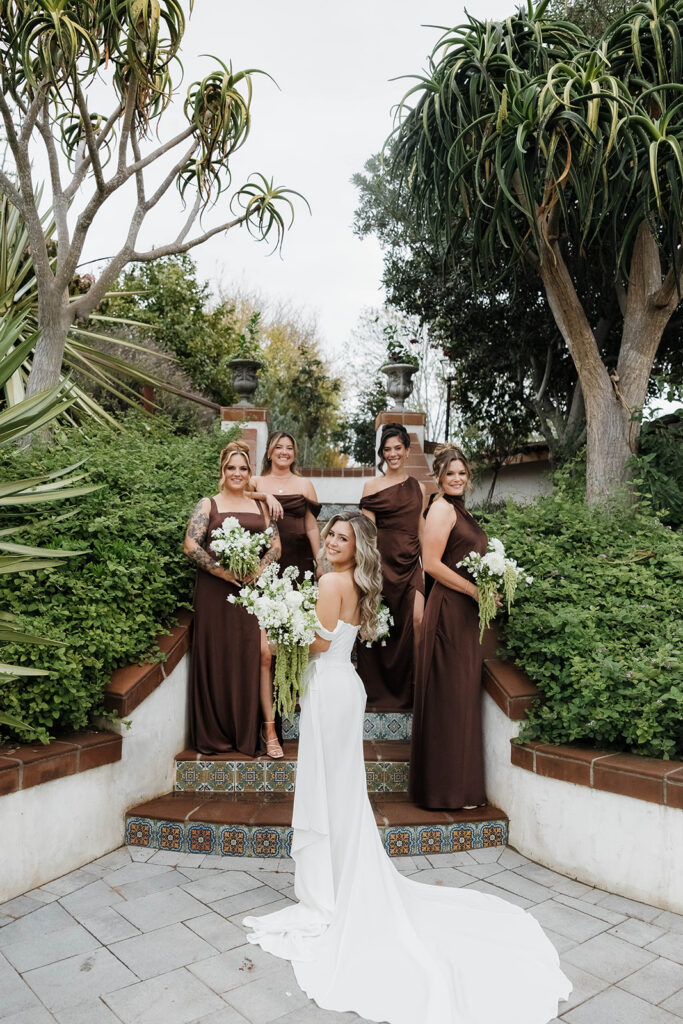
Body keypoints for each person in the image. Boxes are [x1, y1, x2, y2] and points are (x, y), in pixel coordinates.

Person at [243, 509, 571, 1024]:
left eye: (342, 537)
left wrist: (278, 621)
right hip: (342, 690)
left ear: (357, 546)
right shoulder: (352, 581)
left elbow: (320, 643)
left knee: (332, 792)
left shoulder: (331, 582)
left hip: (329, 688)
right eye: (330, 534)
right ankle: (339, 878)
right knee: (342, 792)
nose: (331, 542)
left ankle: (328, 891)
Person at [184, 440, 283, 758]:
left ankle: (264, 728)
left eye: (243, 468)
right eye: (231, 468)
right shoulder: (207, 505)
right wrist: (221, 572)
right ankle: (219, 729)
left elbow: (276, 546)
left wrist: (259, 568)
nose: (237, 473)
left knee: (262, 654)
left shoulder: (261, 506)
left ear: (250, 472)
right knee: (220, 655)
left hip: (254, 592)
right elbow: (191, 545)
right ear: (222, 471)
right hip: (216, 592)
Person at [410, 445, 489, 809]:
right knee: (449, 696)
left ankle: (462, 787)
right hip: (448, 609)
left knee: (462, 696)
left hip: (465, 612)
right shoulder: (441, 509)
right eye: (450, 474)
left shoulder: (461, 510)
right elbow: (431, 564)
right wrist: (474, 588)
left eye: (462, 473)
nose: (457, 478)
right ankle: (443, 790)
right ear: (439, 478)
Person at [357, 423, 427, 708]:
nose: (393, 454)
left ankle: (416, 688)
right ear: (382, 453)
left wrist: (428, 566)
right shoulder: (371, 487)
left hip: (411, 565)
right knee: (377, 625)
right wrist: (369, 571)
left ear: (407, 451)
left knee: (418, 620)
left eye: (398, 448)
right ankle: (376, 691)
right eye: (387, 449)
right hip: (381, 565)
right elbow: (367, 533)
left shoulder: (420, 487)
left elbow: (422, 529)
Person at [250, 431, 321, 579]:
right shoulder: (256, 482)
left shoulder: (305, 484)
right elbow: (236, 495)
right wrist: (265, 496)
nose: (284, 452)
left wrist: (320, 563)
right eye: (279, 447)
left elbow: (312, 527)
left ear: (294, 454)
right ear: (269, 452)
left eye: (289, 448)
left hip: (299, 555)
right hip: (265, 555)